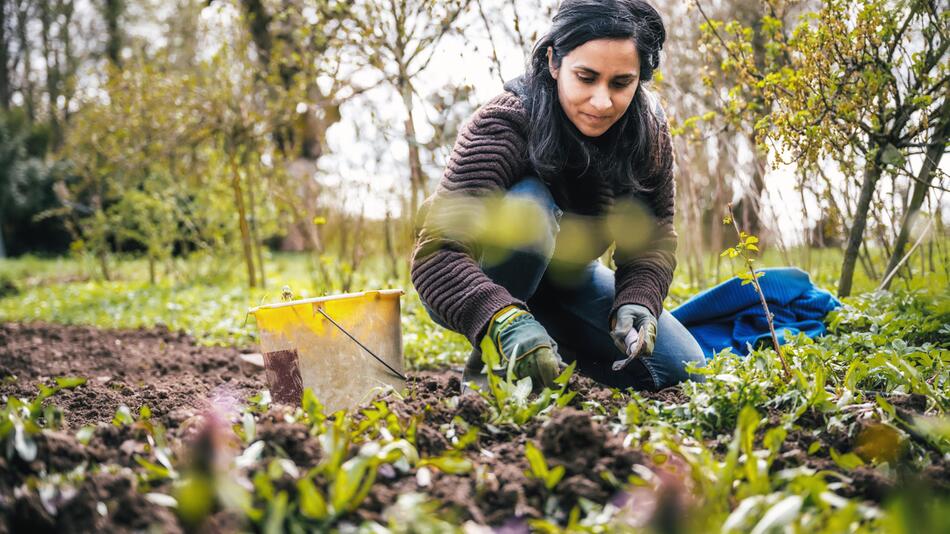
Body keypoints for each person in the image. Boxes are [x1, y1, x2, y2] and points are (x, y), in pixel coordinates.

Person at [410, 0, 705, 392]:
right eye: (586, 77)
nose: (602, 101)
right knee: (530, 208)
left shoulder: (647, 132)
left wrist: (639, 299)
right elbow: (437, 255)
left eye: (621, 83)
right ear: (554, 61)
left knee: (679, 366)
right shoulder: (506, 121)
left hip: (568, 280)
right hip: (471, 274)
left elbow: (652, 237)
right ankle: (491, 374)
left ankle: (548, 350)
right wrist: (501, 318)